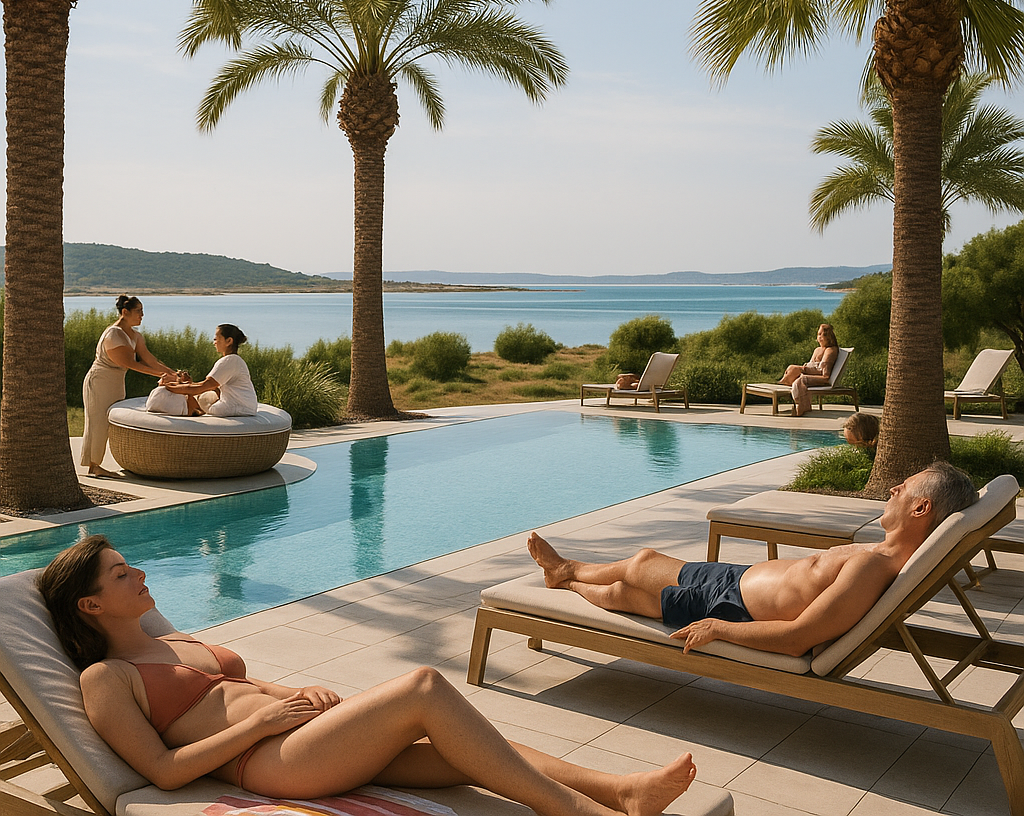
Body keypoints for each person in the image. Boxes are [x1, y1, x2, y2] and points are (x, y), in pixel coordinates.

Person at [37, 537, 696, 816]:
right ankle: (578, 812)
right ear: (89, 604)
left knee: (471, 749)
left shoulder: (170, 638)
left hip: (298, 736)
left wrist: (290, 696)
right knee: (425, 688)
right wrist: (266, 721)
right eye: (123, 574)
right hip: (266, 763)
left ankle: (624, 789)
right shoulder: (106, 677)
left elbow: (239, 692)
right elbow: (164, 770)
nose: (142, 575)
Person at [526, 461, 977, 658]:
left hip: (730, 608)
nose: (895, 488)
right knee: (637, 572)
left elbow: (800, 637)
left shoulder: (873, 568)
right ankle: (564, 578)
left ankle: (566, 574)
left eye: (906, 487)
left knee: (632, 580)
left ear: (921, 510)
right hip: (735, 580)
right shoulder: (878, 555)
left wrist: (719, 628)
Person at [80, 295, 182, 477]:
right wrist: (162, 375)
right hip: (99, 382)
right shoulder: (114, 334)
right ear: (125, 312)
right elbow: (131, 363)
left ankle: (95, 464)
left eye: (142, 311)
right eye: (138, 311)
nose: (142, 315)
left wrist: (174, 374)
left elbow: (150, 360)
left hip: (115, 382)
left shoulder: (135, 335)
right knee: (98, 423)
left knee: (109, 422)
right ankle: (94, 466)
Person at [148, 324, 257, 417]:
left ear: (229, 341)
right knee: (198, 396)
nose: (214, 342)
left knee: (189, 398)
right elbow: (211, 387)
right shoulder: (234, 360)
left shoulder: (229, 361)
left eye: (216, 339)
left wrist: (169, 387)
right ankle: (192, 406)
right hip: (244, 406)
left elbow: (203, 386)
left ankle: (192, 410)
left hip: (236, 408)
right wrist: (182, 385)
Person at [780, 323, 839, 416]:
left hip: (821, 376)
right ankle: (782, 384)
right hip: (810, 371)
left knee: (798, 377)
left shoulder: (830, 350)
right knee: (792, 369)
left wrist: (804, 370)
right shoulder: (817, 349)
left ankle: (801, 405)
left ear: (829, 337)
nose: (819, 337)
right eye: (818, 334)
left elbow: (825, 374)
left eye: (822, 335)